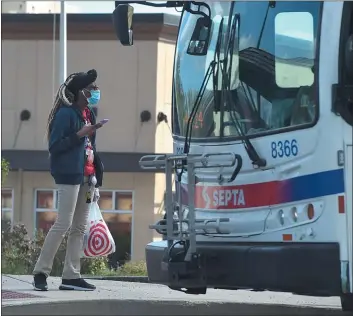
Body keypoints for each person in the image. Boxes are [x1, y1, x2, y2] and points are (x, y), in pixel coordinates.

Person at [32, 69, 105, 291]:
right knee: (63, 223)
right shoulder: (66, 115)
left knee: (79, 227)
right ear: (80, 91)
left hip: (87, 176)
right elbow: (55, 147)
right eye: (91, 88)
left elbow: (90, 147)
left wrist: (96, 176)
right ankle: (40, 273)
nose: (95, 91)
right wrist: (79, 135)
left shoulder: (88, 114)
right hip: (69, 176)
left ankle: (71, 276)